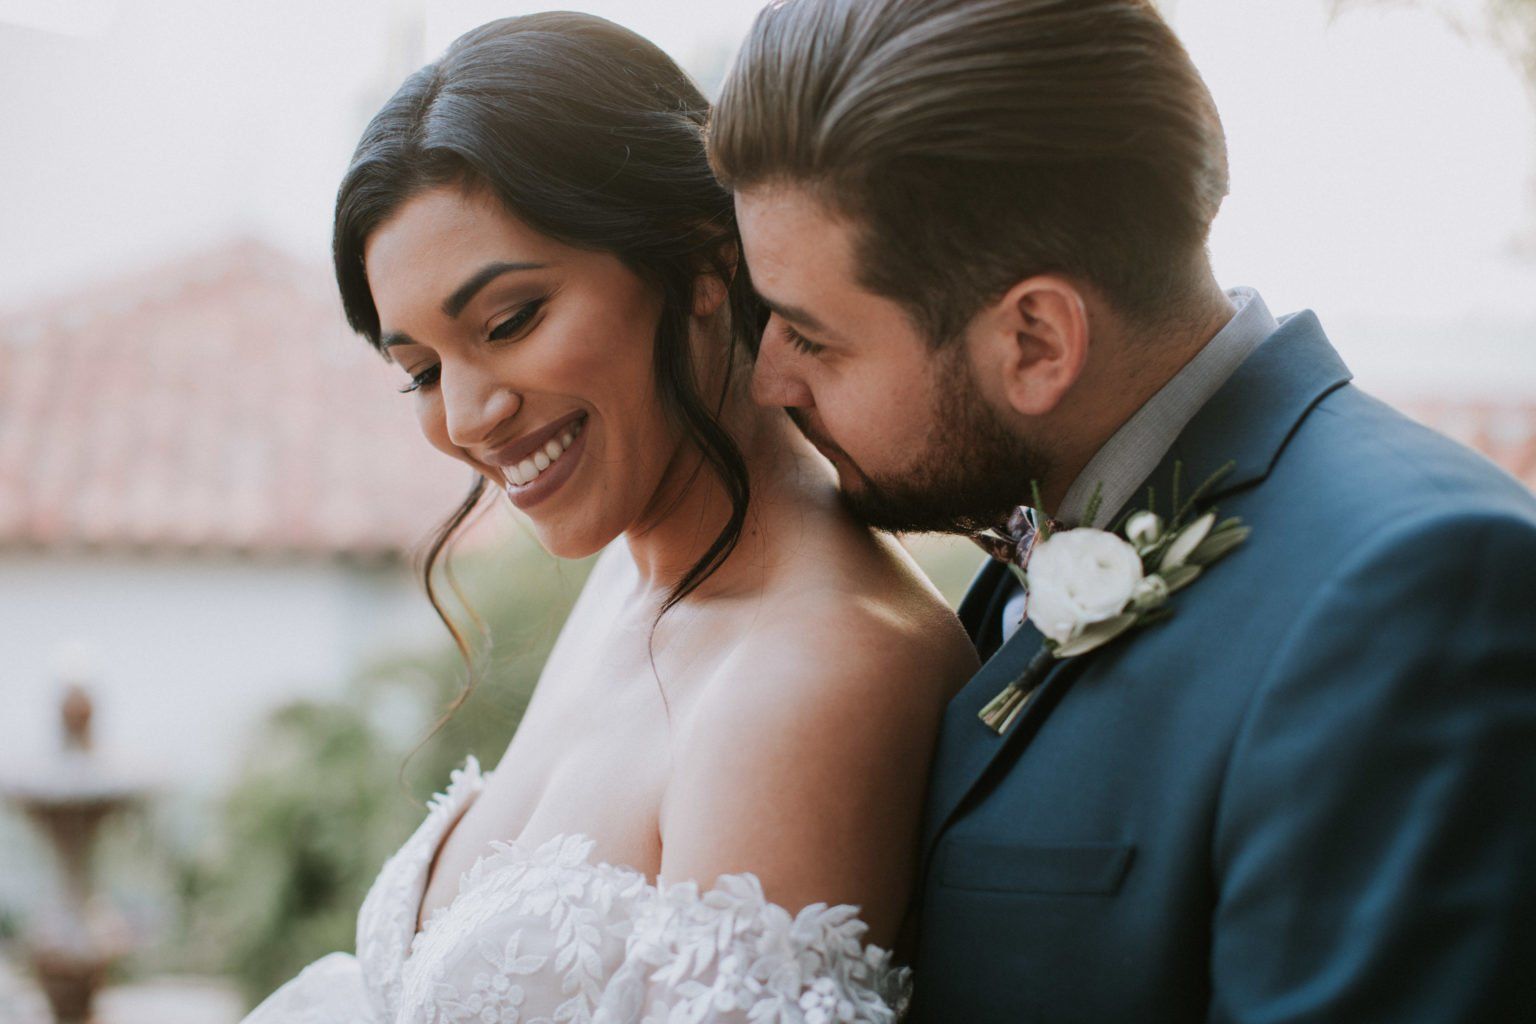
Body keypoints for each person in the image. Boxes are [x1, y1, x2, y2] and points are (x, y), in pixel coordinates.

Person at [708, 0, 1536, 1019]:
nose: (771, 383)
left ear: (1037, 343)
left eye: (813, 337)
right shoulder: (1038, 531)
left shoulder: (1417, 595)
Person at [240, 12, 976, 1024]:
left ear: (703, 263)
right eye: (418, 370)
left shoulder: (817, 665)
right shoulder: (633, 573)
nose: (465, 417)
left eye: (508, 322)